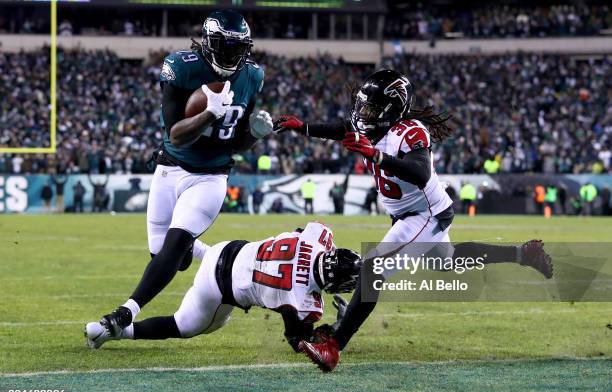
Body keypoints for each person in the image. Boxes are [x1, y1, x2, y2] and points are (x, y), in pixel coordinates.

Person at [275, 69, 553, 371]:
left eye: (371, 108)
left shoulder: (410, 132)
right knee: (449, 260)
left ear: (392, 109)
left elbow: (420, 172)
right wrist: (302, 127)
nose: (363, 113)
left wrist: (375, 155)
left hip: (425, 213)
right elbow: (343, 128)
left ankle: (334, 346)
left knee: (373, 269)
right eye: (363, 106)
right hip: (409, 214)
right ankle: (523, 254)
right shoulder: (371, 126)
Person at [90, 10, 274, 340]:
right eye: (225, 46)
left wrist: (256, 132)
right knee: (169, 258)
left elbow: (238, 143)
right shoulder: (182, 66)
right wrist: (208, 114)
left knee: (174, 248)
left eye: (238, 48)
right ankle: (203, 252)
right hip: (170, 167)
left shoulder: (253, 76)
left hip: (211, 175)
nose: (233, 55)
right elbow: (176, 134)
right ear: (208, 42)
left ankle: (125, 312)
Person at [85, 222, 361, 352]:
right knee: (184, 326)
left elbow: (303, 233)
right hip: (218, 287)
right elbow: (297, 341)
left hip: (228, 248)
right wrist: (338, 327)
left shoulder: (318, 236)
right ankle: (115, 333)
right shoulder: (304, 303)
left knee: (220, 256)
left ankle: (182, 242)